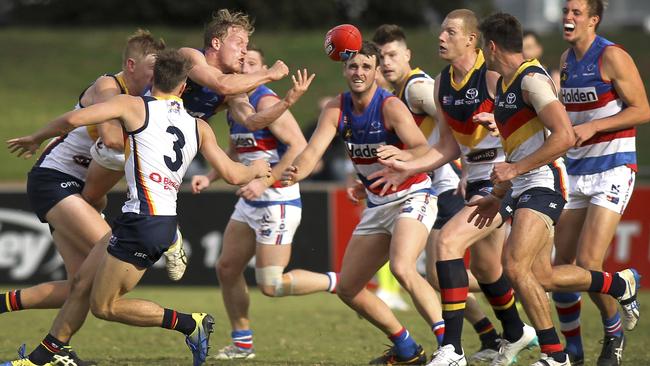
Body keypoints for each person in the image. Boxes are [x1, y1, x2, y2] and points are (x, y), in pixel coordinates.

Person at [4, 49, 272, 366]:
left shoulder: (133, 105)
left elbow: (74, 119)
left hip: (144, 223)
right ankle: (42, 359)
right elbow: (231, 174)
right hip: (144, 219)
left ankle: (191, 324)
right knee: (80, 283)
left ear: (153, 80)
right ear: (184, 88)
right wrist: (256, 170)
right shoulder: (199, 127)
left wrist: (37, 137)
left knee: (104, 306)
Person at [464, 12, 640, 366]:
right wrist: (499, 194)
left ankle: (555, 354)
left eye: (483, 46)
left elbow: (561, 136)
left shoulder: (532, 79)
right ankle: (618, 286)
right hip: (527, 182)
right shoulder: (507, 84)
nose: (568, 16)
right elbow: (520, 145)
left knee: (514, 267)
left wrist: (513, 170)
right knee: (541, 276)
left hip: (547, 180)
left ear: (492, 47)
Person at [369, 10, 534, 366]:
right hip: (474, 177)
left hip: (505, 180)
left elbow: (532, 120)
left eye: (450, 31)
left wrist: (499, 122)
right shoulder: (442, 82)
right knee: (489, 270)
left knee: (447, 246)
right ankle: (515, 333)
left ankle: (453, 350)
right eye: (441, 31)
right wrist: (406, 164)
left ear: (472, 40)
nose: (441, 37)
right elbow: (445, 146)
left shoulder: (490, 75)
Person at [0, 29, 165, 364]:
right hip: (54, 180)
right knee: (112, 252)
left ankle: (53, 348)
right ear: (131, 65)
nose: (156, 79)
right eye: (152, 71)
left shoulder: (142, 101)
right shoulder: (108, 87)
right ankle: (51, 351)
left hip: (78, 190)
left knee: (84, 283)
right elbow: (111, 139)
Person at [282, 41, 438, 365]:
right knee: (349, 287)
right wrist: (296, 172)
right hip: (378, 203)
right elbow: (313, 152)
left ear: (376, 71)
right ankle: (407, 349)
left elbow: (424, 149)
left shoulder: (391, 106)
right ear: (344, 69)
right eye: (353, 66)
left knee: (402, 267)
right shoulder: (336, 109)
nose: (359, 72)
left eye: (367, 66)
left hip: (413, 193)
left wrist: (403, 155)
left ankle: (449, 347)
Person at [191, 45, 335, 360]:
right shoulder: (235, 105)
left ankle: (337, 281)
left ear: (264, 69)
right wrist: (210, 176)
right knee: (227, 268)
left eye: (252, 63)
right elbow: (234, 151)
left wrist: (263, 182)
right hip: (250, 200)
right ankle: (242, 344)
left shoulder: (266, 100)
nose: (245, 67)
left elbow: (299, 146)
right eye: (241, 62)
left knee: (272, 285)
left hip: (276, 200)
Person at [553, 0, 650, 364]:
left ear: (593, 20)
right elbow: (570, 116)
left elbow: (643, 109)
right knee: (559, 265)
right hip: (576, 171)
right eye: (566, 10)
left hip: (613, 168)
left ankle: (613, 334)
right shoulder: (565, 61)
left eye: (577, 12)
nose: (568, 17)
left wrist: (595, 126)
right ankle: (574, 350)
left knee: (589, 262)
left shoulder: (612, 56)